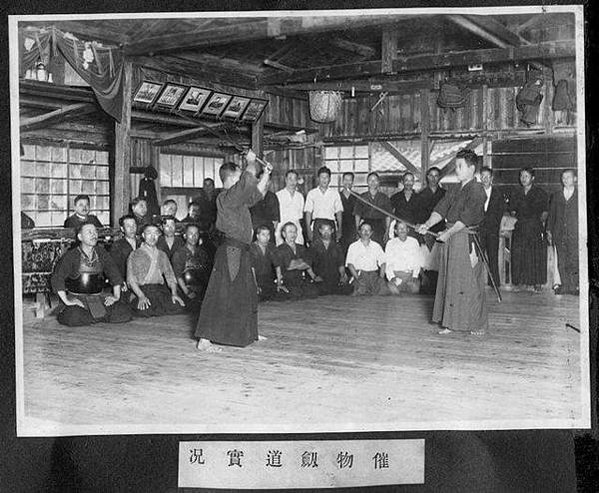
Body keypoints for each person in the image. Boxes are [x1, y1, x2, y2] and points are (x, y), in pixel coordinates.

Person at [194, 151, 271, 352]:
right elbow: (246, 183)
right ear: (231, 179)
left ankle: (249, 332)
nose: (244, 180)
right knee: (222, 292)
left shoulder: (239, 200)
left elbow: (256, 194)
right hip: (231, 250)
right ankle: (205, 339)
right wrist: (251, 162)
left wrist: (266, 174)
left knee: (247, 292)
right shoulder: (225, 198)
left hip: (242, 250)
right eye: (239, 177)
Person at [417, 149, 488, 335]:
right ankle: (451, 322)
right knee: (451, 280)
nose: (456, 170)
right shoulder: (454, 189)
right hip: (452, 238)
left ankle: (475, 324)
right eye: (456, 166)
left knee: (469, 283)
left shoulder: (477, 190)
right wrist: (427, 224)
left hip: (465, 239)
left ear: (472, 168)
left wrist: (447, 234)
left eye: (459, 166)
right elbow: (440, 210)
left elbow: (465, 219)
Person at [51, 222, 131, 326]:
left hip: (98, 297)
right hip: (78, 298)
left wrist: (116, 296)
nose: (94, 235)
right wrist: (67, 301)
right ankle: (95, 317)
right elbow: (58, 277)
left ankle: (92, 317)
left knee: (123, 312)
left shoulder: (101, 253)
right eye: (89, 232)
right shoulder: (72, 255)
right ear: (80, 237)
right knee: (73, 316)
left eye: (95, 232)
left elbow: (114, 273)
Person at [127, 223, 185, 317]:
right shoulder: (135, 254)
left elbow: (170, 276)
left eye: (155, 233)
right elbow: (131, 280)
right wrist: (141, 297)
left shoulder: (162, 254)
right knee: (145, 311)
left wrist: (174, 294)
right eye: (149, 233)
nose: (152, 236)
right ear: (143, 235)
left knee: (179, 306)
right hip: (142, 291)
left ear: (159, 235)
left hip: (159, 291)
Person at [509, 167, 549, 292]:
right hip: (520, 227)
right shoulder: (516, 192)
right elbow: (512, 210)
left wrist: (539, 223)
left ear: (533, 178)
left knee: (535, 255)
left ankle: (537, 283)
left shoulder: (540, 193)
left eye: (526, 176)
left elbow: (545, 211)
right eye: (521, 176)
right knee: (519, 255)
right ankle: (519, 282)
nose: (523, 179)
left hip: (535, 228)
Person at [547, 169, 579, 295]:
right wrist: (549, 230)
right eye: (563, 177)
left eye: (568, 177)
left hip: (574, 234)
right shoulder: (557, 195)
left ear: (575, 179)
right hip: (559, 233)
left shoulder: (580, 195)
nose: (565, 180)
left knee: (574, 260)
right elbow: (551, 215)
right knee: (562, 260)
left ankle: (575, 286)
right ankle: (564, 286)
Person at [274, 222, 321, 299]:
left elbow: (307, 265)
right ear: (284, 234)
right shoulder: (280, 249)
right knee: (294, 294)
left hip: (299, 279)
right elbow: (289, 266)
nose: (293, 234)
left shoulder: (301, 248)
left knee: (314, 292)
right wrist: (302, 262)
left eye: (295, 232)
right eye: (290, 232)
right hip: (287, 280)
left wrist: (313, 276)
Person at [417, 167, 446, 293]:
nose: (433, 178)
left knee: (440, 260)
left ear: (439, 178)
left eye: (436, 176)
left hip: (440, 231)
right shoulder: (421, 195)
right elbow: (418, 216)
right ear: (427, 177)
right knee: (428, 260)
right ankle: (427, 287)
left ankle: (440, 288)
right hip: (426, 231)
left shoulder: (445, 194)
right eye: (431, 175)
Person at [172, 223, 212, 312]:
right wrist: (187, 292)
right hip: (184, 291)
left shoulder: (202, 253)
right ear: (185, 235)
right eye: (190, 234)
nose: (193, 237)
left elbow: (206, 274)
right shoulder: (179, 254)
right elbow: (177, 276)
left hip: (200, 291)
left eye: (196, 234)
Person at [309, 221, 352, 295]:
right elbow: (307, 264)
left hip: (334, 277)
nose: (326, 232)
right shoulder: (314, 245)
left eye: (328, 230)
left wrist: (342, 275)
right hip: (320, 278)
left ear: (332, 231)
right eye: (323, 230)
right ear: (320, 231)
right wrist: (314, 277)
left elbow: (341, 264)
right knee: (315, 291)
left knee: (347, 289)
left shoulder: (337, 246)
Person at [345, 222, 389, 296]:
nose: (366, 232)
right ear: (359, 232)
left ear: (371, 233)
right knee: (360, 291)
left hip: (373, 275)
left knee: (384, 291)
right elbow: (350, 264)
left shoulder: (376, 246)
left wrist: (381, 278)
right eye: (363, 230)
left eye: (368, 230)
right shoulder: (353, 246)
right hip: (360, 274)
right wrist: (357, 278)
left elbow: (383, 263)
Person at [479, 167, 505, 288]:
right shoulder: (476, 192)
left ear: (492, 178)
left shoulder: (498, 194)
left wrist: (496, 227)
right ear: (480, 178)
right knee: (477, 257)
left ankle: (494, 283)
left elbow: (500, 213)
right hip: (478, 230)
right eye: (483, 176)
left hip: (492, 230)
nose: (485, 179)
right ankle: (475, 283)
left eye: (487, 176)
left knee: (493, 256)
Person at [304, 166, 343, 244]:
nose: (324, 179)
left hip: (331, 224)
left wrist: (340, 229)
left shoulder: (335, 194)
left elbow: (339, 212)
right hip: (317, 224)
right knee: (316, 251)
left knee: (331, 250)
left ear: (330, 179)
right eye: (322, 177)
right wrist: (308, 229)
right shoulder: (312, 193)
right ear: (318, 178)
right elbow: (308, 213)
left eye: (326, 177)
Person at [353, 172, 392, 246]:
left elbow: (388, 216)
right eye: (370, 180)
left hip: (380, 226)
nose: (373, 182)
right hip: (366, 225)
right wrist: (358, 230)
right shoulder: (362, 197)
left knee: (379, 247)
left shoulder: (384, 197)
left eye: (375, 180)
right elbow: (357, 214)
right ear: (367, 182)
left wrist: (387, 231)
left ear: (378, 182)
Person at [385, 220, 423, 295]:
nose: (402, 230)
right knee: (393, 291)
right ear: (395, 231)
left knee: (415, 289)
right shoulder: (390, 243)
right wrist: (392, 277)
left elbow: (417, 261)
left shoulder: (414, 242)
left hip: (410, 275)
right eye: (400, 228)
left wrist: (415, 276)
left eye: (404, 228)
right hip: (396, 275)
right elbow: (388, 263)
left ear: (408, 230)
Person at [250, 225, 285, 301]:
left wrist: (279, 283)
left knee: (281, 294)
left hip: (267, 279)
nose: (266, 237)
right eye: (263, 235)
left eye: (268, 235)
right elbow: (251, 269)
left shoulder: (271, 247)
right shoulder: (252, 248)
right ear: (257, 236)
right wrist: (254, 286)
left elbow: (277, 265)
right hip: (254, 279)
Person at [109, 214, 139, 293]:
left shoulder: (142, 243)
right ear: (122, 229)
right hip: (124, 283)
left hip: (141, 282)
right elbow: (113, 268)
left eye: (134, 225)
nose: (132, 228)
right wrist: (120, 282)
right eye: (128, 226)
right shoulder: (117, 245)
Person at [275, 170, 305, 246]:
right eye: (290, 179)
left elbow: (300, 216)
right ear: (285, 180)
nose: (292, 182)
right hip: (282, 229)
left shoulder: (300, 196)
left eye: (295, 179)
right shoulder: (278, 195)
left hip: (296, 229)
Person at [339, 172, 357, 254]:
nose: (347, 182)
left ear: (353, 182)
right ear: (342, 181)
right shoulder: (337, 196)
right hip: (340, 228)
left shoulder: (357, 197)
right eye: (345, 180)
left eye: (350, 180)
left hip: (353, 229)